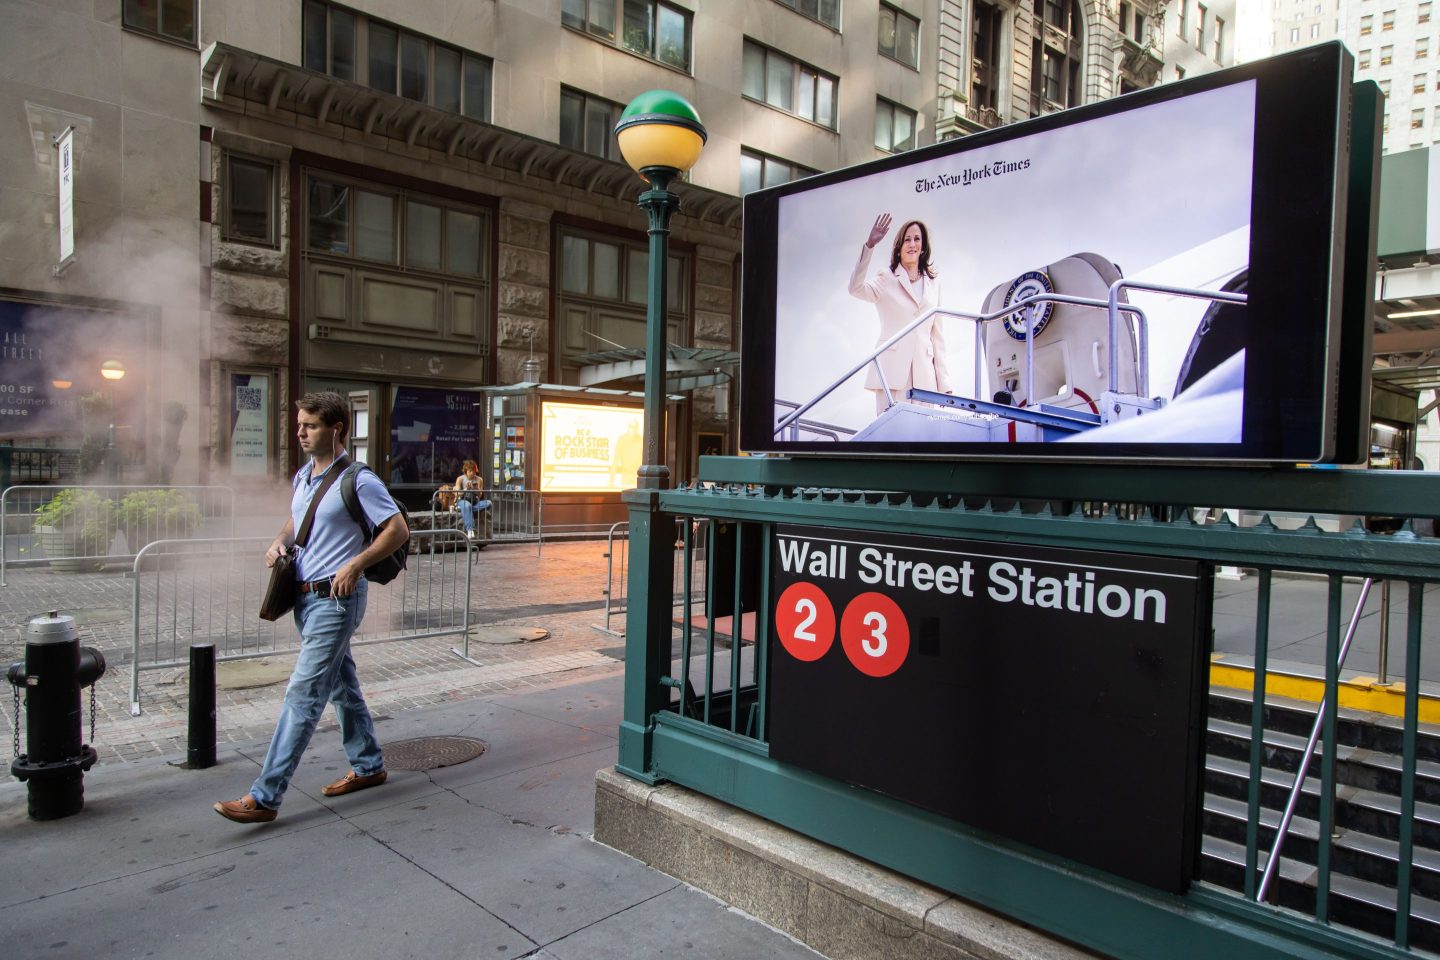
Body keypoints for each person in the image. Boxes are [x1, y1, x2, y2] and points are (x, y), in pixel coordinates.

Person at [214, 391, 410, 824]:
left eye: (311, 426)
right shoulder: (304, 475)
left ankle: (265, 796)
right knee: (341, 686)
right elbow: (298, 518)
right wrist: (279, 541)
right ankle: (369, 764)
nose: (300, 432)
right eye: (300, 424)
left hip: (336, 601)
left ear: (336, 429)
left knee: (303, 694)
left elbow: (396, 530)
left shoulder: (359, 480)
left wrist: (356, 564)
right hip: (305, 597)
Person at [849, 213, 952, 415]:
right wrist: (870, 246)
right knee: (893, 431)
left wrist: (945, 385)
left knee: (924, 432)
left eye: (917, 239)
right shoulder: (886, 278)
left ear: (923, 246)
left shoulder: (934, 284)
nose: (912, 244)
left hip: (925, 379)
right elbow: (855, 289)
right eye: (907, 239)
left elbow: (937, 337)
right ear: (899, 247)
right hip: (892, 375)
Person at [450, 459, 491, 539]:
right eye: (470, 471)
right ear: (466, 471)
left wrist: (475, 489)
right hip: (462, 500)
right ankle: (470, 530)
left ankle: (464, 509)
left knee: (488, 503)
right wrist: (466, 489)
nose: (472, 473)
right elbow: (457, 493)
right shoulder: (460, 479)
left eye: (474, 471)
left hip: (474, 502)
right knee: (467, 505)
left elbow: (480, 496)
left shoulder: (479, 479)